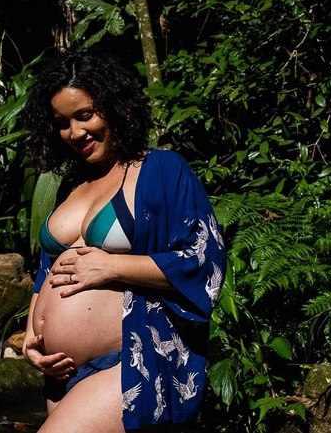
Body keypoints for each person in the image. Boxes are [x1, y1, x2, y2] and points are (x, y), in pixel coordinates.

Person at [18, 51, 225, 432]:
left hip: (129, 362)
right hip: (63, 374)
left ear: (114, 107)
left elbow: (203, 261)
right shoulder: (72, 184)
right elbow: (48, 269)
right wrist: (32, 336)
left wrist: (112, 266)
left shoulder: (160, 169)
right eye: (62, 123)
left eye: (85, 115)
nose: (75, 132)